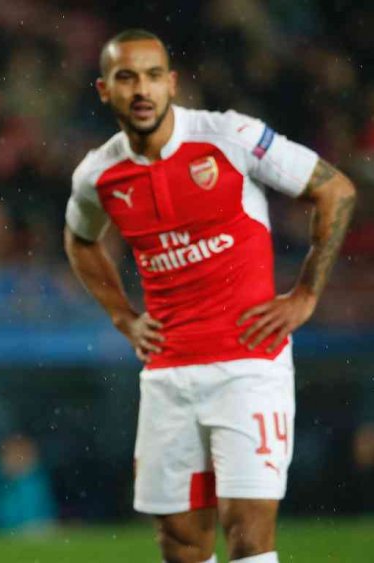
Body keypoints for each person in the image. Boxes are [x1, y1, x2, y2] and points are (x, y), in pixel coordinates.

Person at [64, 29, 356, 563]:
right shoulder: (98, 173)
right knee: (181, 543)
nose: (142, 89)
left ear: (172, 82)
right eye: (126, 77)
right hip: (167, 373)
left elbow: (334, 187)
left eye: (153, 75)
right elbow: (80, 240)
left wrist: (306, 294)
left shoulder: (231, 135)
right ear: (104, 90)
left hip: (249, 363)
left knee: (248, 535)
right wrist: (123, 317)